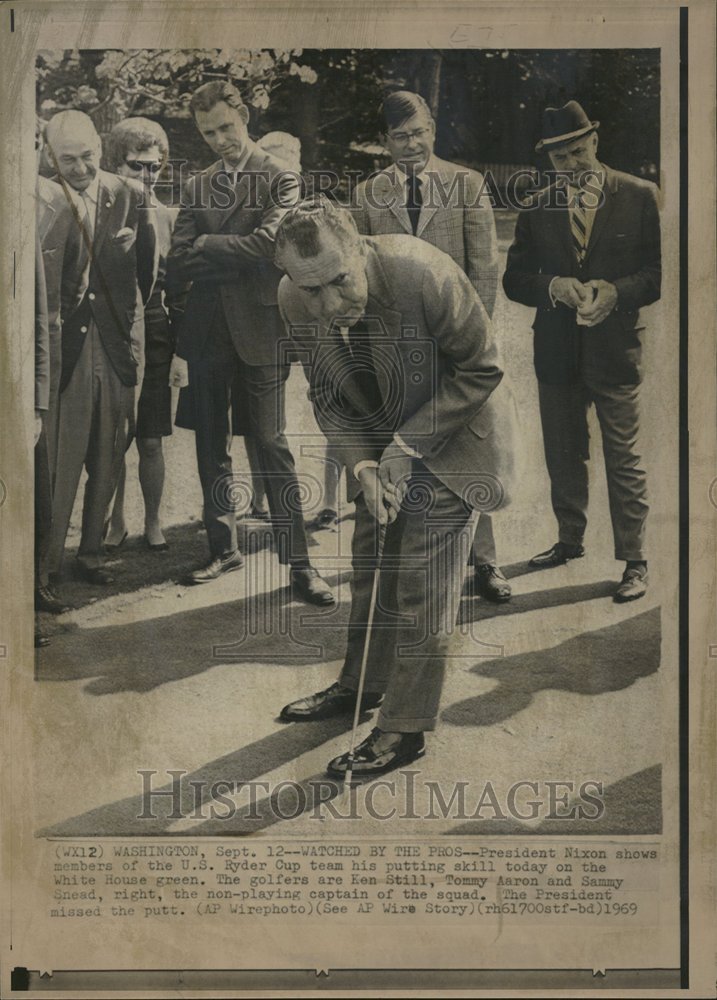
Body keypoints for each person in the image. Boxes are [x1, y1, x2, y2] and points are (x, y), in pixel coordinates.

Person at [275, 198, 519, 779]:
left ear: (359, 246)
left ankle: (404, 730)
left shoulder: (423, 272)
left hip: (455, 441)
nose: (329, 305)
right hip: (379, 448)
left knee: (421, 583)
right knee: (371, 564)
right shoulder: (293, 297)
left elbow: (482, 368)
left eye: (338, 281)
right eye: (311, 290)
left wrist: (408, 446)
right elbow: (328, 395)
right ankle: (363, 685)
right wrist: (362, 468)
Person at [166, 82, 333, 606]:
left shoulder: (280, 175)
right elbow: (178, 260)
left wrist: (209, 244)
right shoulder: (196, 185)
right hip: (207, 332)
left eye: (227, 128)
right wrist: (216, 251)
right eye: (209, 132)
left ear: (245, 117)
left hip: (262, 331)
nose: (220, 140)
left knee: (270, 445)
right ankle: (223, 547)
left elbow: (270, 245)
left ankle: (300, 563)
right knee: (210, 444)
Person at [352, 90, 510, 602]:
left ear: (433, 129)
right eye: (400, 137)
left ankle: (483, 560)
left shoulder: (467, 185)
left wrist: (468, 348)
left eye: (419, 132)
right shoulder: (368, 195)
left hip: (459, 347)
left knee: (467, 451)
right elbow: (362, 279)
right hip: (397, 354)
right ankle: (407, 559)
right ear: (385, 142)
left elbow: (485, 271)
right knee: (406, 448)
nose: (412, 144)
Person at [503, 101, 661, 602]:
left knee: (624, 456)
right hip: (557, 351)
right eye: (559, 157)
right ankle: (569, 539)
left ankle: (634, 560)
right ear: (547, 160)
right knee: (564, 453)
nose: (572, 164)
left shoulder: (638, 195)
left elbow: (658, 275)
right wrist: (553, 286)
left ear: (595, 140)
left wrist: (615, 292)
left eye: (577, 150)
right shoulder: (536, 204)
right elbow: (514, 279)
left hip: (616, 351)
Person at [44, 110, 157, 589]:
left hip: (115, 346)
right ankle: (45, 566)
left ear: (100, 147)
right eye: (67, 159)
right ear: (51, 156)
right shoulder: (43, 198)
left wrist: (127, 332)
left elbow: (147, 273)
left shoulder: (129, 194)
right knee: (59, 463)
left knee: (109, 456)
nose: (80, 167)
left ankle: (90, 556)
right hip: (65, 348)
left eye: (88, 155)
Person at [104, 118, 176, 553]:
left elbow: (177, 285)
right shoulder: (101, 212)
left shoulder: (168, 216)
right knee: (114, 440)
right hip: (112, 334)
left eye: (154, 167)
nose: (146, 176)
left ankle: (153, 520)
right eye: (136, 167)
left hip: (156, 334)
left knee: (150, 438)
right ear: (116, 165)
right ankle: (115, 520)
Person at [34, 120, 81, 614]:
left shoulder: (58, 202)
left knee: (37, 473)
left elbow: (68, 284)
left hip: (39, 350)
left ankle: (36, 582)